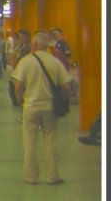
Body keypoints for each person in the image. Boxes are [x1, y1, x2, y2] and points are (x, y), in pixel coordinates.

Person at [11, 31, 72, 185]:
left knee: (30, 142)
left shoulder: (26, 61)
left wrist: (20, 101)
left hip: (30, 106)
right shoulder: (55, 61)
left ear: (36, 45)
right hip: (50, 107)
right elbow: (66, 86)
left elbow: (18, 86)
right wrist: (61, 100)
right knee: (50, 140)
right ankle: (52, 176)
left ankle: (30, 176)